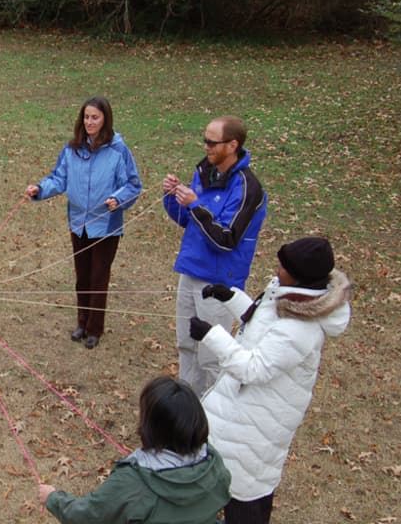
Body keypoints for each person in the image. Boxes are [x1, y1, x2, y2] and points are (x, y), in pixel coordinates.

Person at [190, 237, 352, 524]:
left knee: (245, 493)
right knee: (244, 483)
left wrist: (210, 335)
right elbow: (260, 322)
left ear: (300, 275)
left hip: (258, 424)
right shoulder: (291, 296)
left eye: (283, 266)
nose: (277, 268)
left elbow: (254, 368)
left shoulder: (300, 328)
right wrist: (230, 297)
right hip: (245, 415)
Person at [26, 96, 142, 349]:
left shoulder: (118, 150)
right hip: (79, 223)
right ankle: (82, 322)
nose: (90, 122)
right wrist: (39, 189)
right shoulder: (72, 149)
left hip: (106, 225)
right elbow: (58, 178)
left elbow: (133, 185)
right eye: (86, 117)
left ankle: (94, 328)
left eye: (95, 117)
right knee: (82, 276)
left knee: (99, 277)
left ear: (105, 120)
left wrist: (118, 199)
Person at [162, 115, 267, 394]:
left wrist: (195, 206)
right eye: (205, 139)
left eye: (212, 141)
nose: (206, 146)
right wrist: (173, 198)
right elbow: (187, 221)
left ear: (232, 145)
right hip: (191, 270)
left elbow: (226, 239)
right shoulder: (205, 172)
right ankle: (185, 403)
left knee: (211, 356)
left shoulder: (247, 188)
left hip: (218, 282)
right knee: (186, 343)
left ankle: (210, 413)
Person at [37, 376, 230, 523]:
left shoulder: (131, 483)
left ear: (152, 426)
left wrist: (53, 498)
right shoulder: (214, 463)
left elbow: (89, 515)